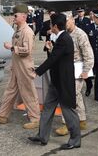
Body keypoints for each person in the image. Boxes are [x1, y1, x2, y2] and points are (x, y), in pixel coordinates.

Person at [28, 13, 81, 150]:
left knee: (68, 110)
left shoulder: (64, 39)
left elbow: (53, 59)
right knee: (48, 108)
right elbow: (56, 56)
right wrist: (50, 48)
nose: (49, 26)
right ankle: (42, 136)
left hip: (63, 81)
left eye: (51, 24)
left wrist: (37, 72)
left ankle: (75, 139)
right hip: (56, 81)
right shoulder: (60, 37)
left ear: (56, 26)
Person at [0, 4, 40, 129]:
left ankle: (35, 119)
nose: (13, 17)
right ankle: (3, 115)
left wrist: (11, 47)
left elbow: (27, 50)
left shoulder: (27, 32)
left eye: (16, 15)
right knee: (10, 91)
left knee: (28, 93)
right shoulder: (18, 31)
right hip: (17, 67)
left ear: (23, 16)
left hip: (25, 68)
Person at [54, 11, 94, 136]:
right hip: (66, 69)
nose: (65, 24)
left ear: (72, 20)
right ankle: (81, 120)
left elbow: (88, 54)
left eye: (66, 21)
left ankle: (67, 124)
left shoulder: (80, 34)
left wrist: (86, 71)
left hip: (78, 70)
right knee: (77, 96)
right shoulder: (63, 34)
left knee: (68, 96)